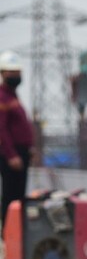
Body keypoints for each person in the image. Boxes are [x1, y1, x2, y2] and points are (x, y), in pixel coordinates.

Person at [0, 51, 34, 234]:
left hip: (22, 153)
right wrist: (11, 155)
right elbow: (2, 129)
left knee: (19, 196)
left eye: (17, 72)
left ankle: (16, 232)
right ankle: (8, 232)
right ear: (3, 73)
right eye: (11, 72)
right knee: (11, 196)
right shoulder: (2, 97)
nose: (15, 76)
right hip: (11, 155)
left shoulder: (13, 96)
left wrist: (30, 147)